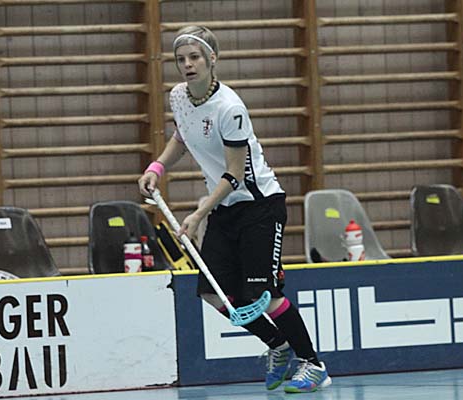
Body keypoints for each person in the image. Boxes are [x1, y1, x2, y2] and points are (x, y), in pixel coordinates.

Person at [138, 25, 330, 393]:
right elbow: (182, 136)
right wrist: (156, 168)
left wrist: (199, 214)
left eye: (195, 57)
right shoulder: (178, 96)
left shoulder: (230, 108)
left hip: (260, 208)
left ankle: (313, 364)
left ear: (212, 59)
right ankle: (278, 346)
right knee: (212, 293)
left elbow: (235, 174)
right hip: (225, 209)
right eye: (181, 59)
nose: (187, 65)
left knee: (265, 296)